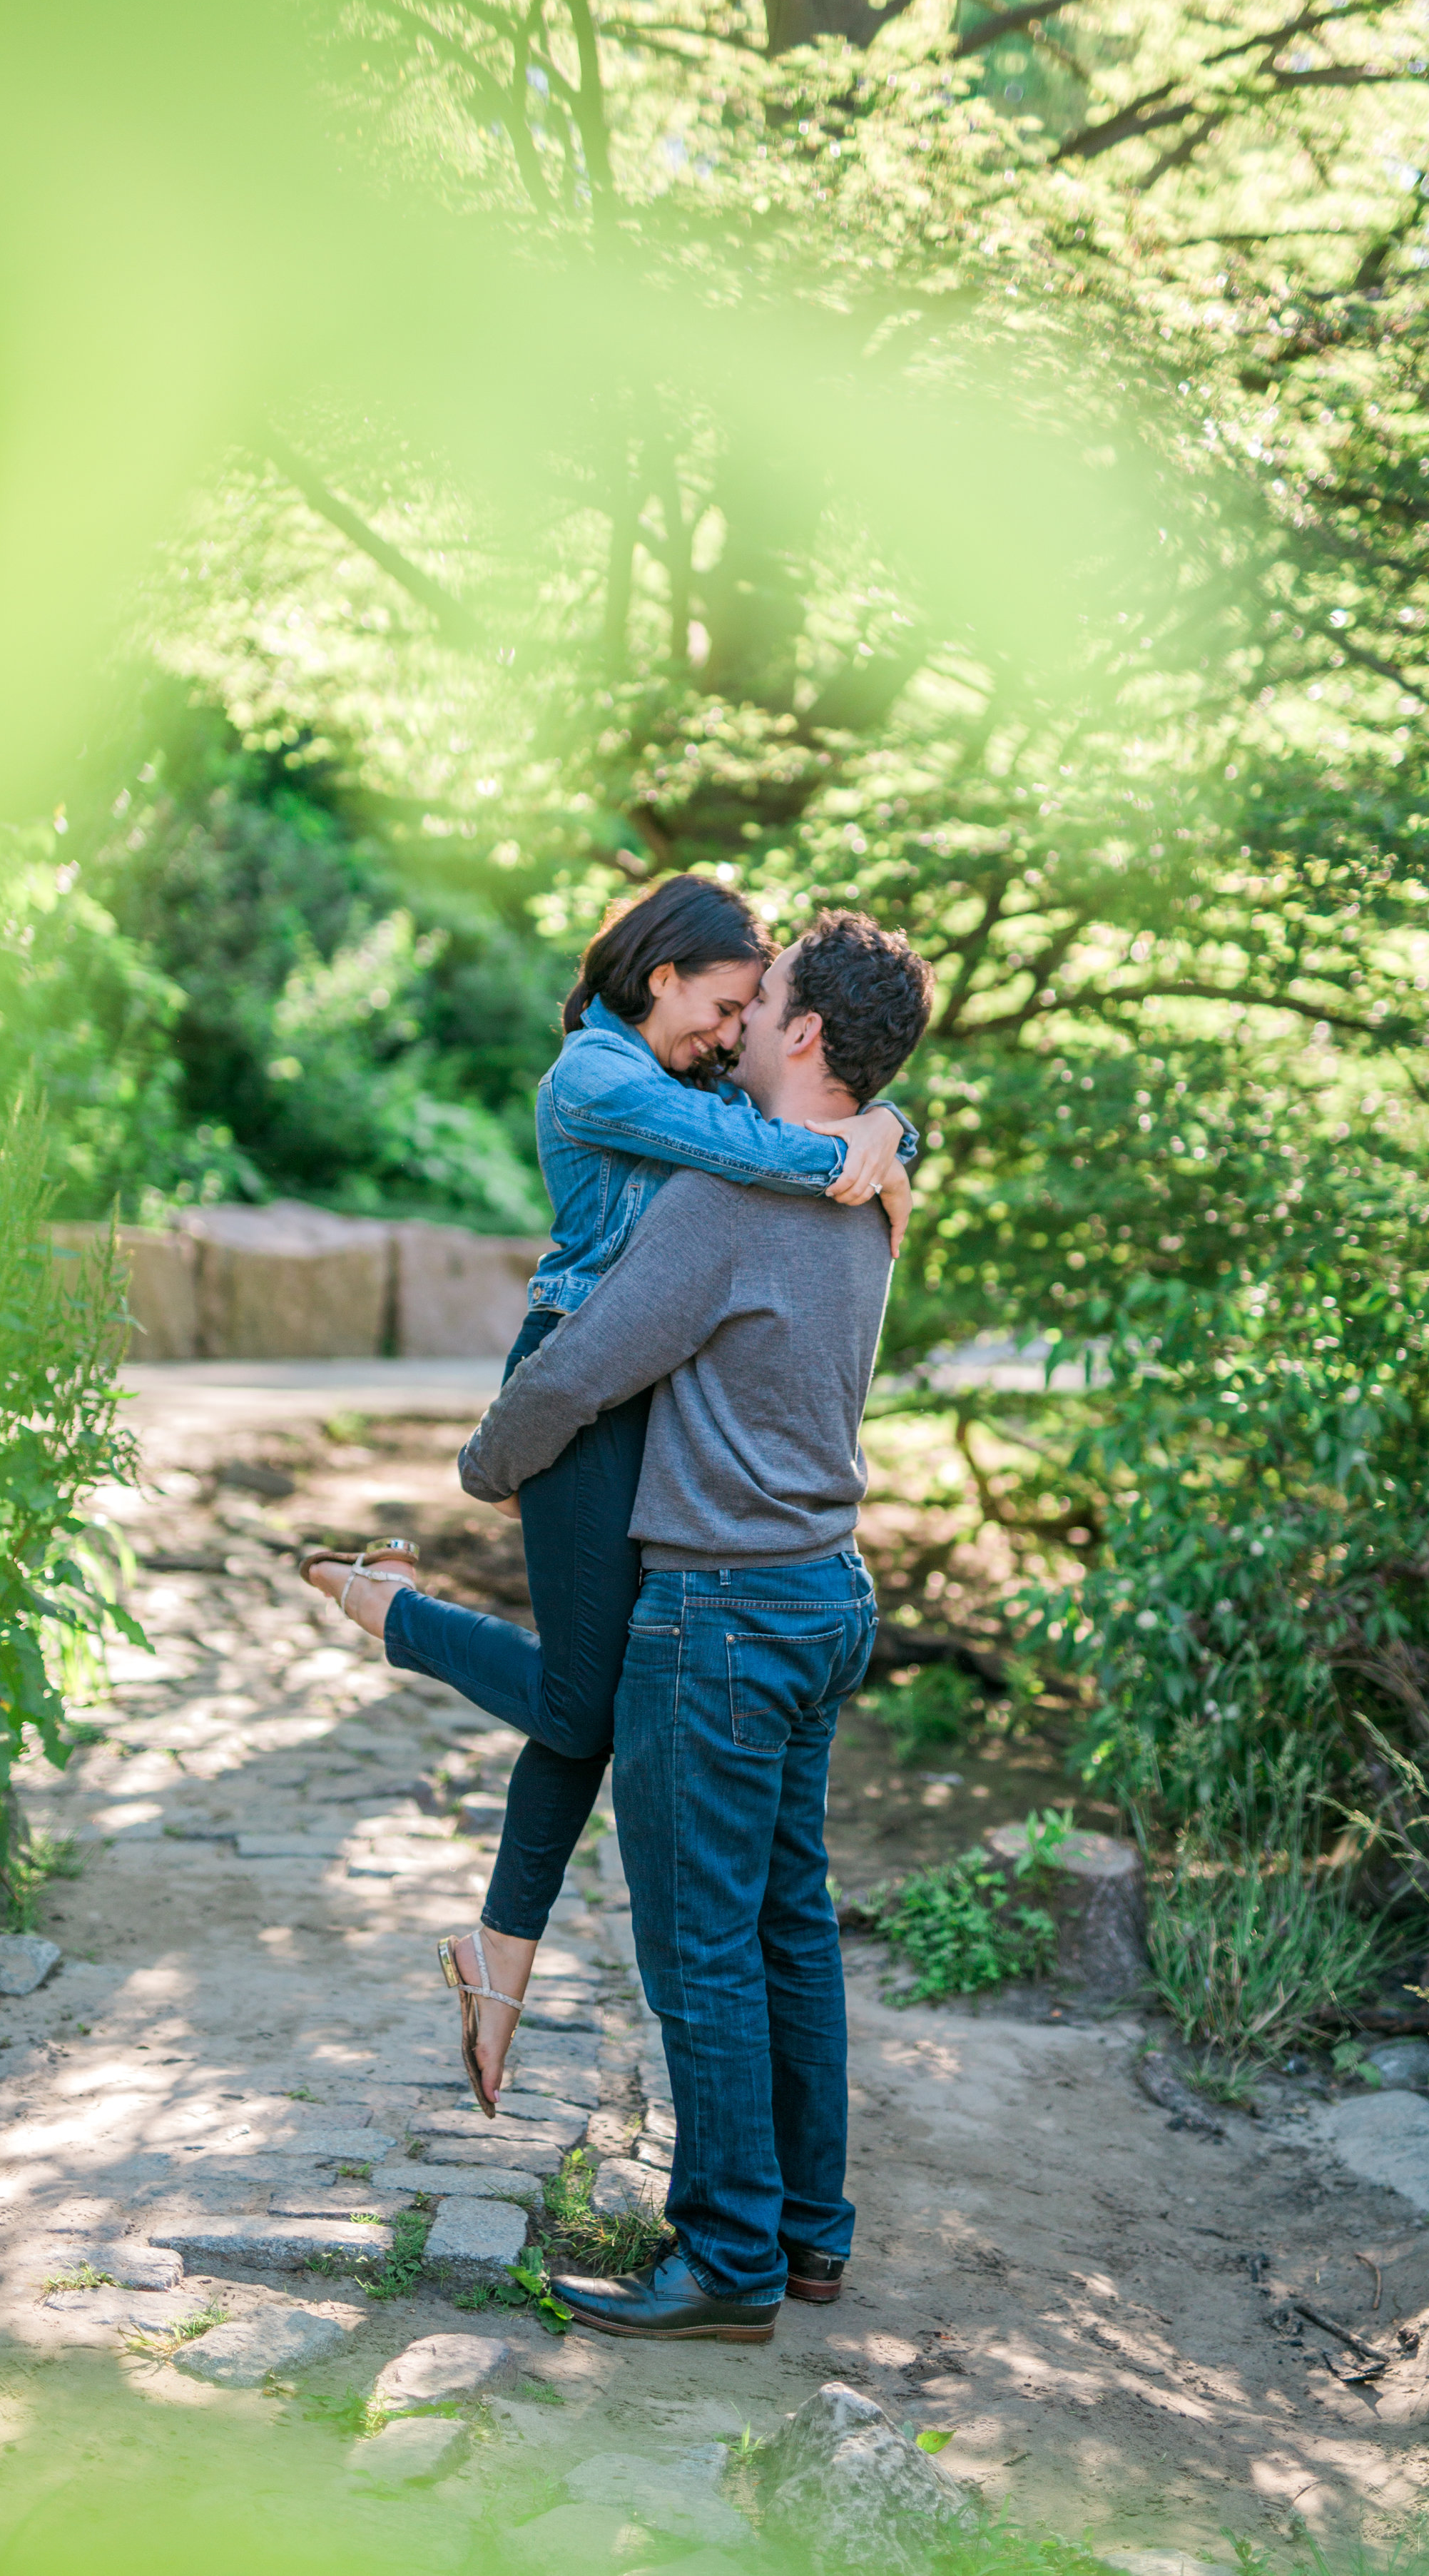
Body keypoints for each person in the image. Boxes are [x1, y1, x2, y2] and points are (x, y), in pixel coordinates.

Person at [298, 873, 915, 2110]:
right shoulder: (597, 1073)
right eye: (726, 1004)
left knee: (596, 1695)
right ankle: (396, 1616)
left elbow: (803, 1104)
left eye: (755, 1011)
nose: (735, 1031)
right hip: (576, 1387)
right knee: (593, 1703)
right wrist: (876, 1143)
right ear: (661, 974)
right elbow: (751, 1152)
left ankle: (498, 1957)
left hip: (642, 1396)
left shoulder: (692, 1073)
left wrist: (889, 1127)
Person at [449, 909, 934, 2341]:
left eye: (757, 1002)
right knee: (789, 1930)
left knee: (702, 1950)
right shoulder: (872, 1186)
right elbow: (845, 1123)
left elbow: (581, 1372)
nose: (729, 1027)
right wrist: (888, 1120)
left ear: (796, 1034)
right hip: (821, 1597)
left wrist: (486, 1468)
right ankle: (804, 2235)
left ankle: (723, 2259)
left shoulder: (727, 1204)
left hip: (718, 1616)